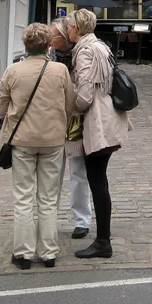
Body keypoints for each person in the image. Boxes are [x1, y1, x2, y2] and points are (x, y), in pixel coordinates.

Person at [0, 23, 75, 270]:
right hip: (52, 139)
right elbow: (69, 105)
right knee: (49, 198)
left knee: (23, 197)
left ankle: (23, 253)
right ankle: (49, 252)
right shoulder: (60, 70)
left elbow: (0, 110)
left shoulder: (12, 71)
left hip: (21, 141)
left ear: (25, 45)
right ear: (48, 44)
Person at [67, 8, 132, 259]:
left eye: (70, 24)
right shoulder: (101, 46)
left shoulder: (84, 51)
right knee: (99, 179)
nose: (68, 28)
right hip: (110, 116)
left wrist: (70, 109)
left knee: (97, 181)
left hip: (97, 122)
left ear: (77, 28)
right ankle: (103, 239)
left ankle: (103, 242)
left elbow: (84, 96)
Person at [49, 16, 92, 239]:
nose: (49, 38)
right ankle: (48, 218)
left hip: (74, 119)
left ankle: (82, 219)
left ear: (65, 37)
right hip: (52, 120)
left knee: (78, 171)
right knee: (51, 174)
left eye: (53, 35)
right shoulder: (47, 55)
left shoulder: (80, 54)